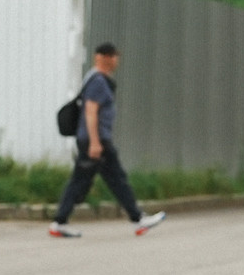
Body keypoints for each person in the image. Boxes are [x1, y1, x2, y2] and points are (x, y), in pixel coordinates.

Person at [48, 42, 165, 239]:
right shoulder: (98, 82)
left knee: (104, 180)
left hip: (94, 139)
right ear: (102, 57)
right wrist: (95, 142)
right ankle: (137, 219)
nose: (116, 60)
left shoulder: (95, 79)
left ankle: (60, 222)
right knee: (109, 180)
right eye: (113, 56)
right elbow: (91, 112)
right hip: (96, 140)